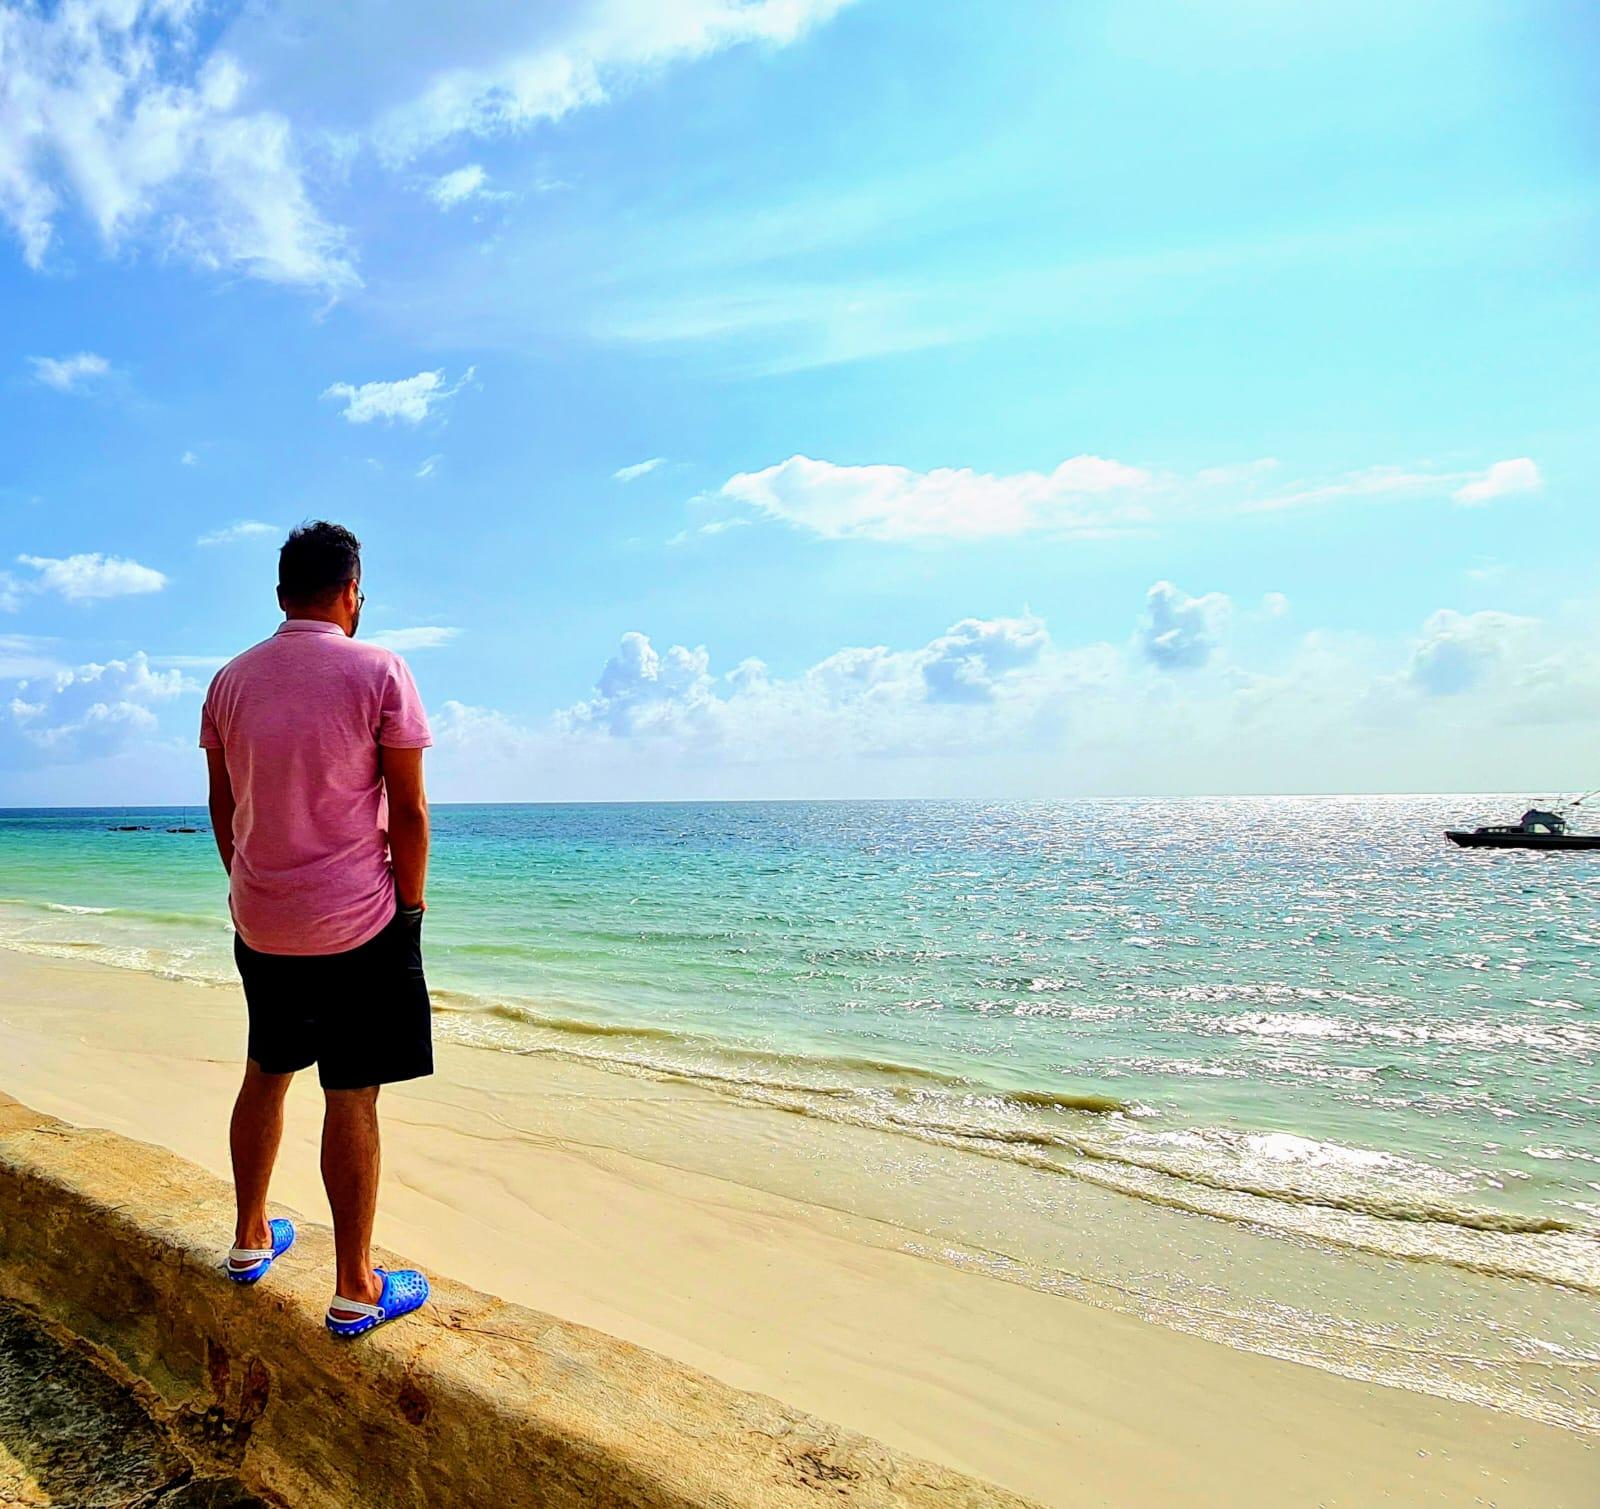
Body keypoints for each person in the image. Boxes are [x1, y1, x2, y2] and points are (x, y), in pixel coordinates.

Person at [200, 520, 434, 1337]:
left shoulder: (230, 680)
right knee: (352, 1090)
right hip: (358, 922)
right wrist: (410, 904)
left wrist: (247, 880)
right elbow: (407, 807)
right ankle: (353, 1286)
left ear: (279, 595)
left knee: (266, 1068)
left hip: (262, 918)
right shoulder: (380, 669)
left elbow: (223, 805)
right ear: (350, 592)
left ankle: (248, 1238)